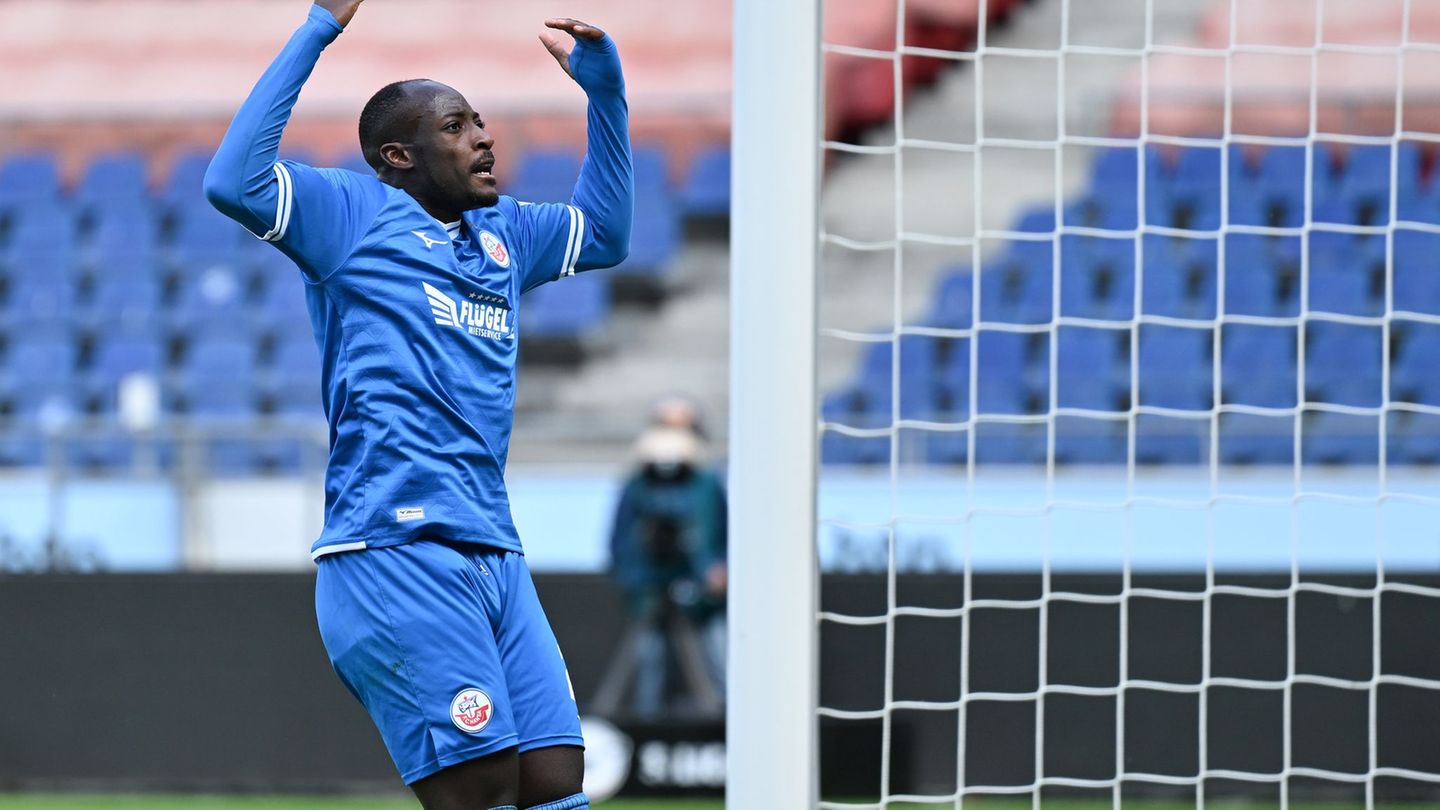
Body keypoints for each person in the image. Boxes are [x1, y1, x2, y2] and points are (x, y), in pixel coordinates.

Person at [203, 1, 632, 807]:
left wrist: (605, 99)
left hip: (493, 554)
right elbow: (233, 181)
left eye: (479, 119)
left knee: (554, 784)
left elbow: (605, 234)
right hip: (395, 552)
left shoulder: (504, 236)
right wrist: (319, 28)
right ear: (399, 154)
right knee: (482, 786)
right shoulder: (354, 217)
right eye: (456, 124)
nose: (484, 136)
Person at [602, 407, 727, 719]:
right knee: (649, 659)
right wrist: (638, 580)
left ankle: (727, 728)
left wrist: (714, 570)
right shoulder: (637, 484)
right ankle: (648, 728)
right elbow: (619, 543)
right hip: (650, 587)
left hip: (700, 595)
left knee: (719, 656)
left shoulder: (707, 483)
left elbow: (722, 536)